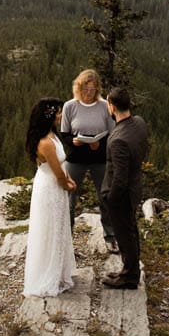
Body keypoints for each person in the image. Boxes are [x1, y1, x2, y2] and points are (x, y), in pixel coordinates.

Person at [22, 97, 77, 297]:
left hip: (56, 186)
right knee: (50, 229)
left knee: (59, 227)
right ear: (49, 115)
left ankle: (59, 271)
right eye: (58, 112)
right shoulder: (45, 143)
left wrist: (68, 179)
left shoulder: (52, 135)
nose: (61, 115)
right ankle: (48, 274)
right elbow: (56, 171)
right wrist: (67, 185)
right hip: (50, 188)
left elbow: (62, 164)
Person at [60, 68, 117, 250]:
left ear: (97, 89)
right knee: (68, 199)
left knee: (105, 198)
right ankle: (66, 240)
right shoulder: (70, 106)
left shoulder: (103, 106)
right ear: (78, 87)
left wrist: (99, 144)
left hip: (100, 160)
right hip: (75, 159)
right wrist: (74, 141)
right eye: (85, 89)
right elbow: (64, 134)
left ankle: (110, 237)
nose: (89, 93)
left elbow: (113, 133)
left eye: (92, 89)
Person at [99, 86, 149, 291]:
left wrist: (111, 198)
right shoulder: (139, 123)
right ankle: (130, 270)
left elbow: (119, 177)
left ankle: (129, 277)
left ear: (111, 106)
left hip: (121, 194)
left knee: (124, 234)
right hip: (134, 187)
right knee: (131, 230)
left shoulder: (118, 139)